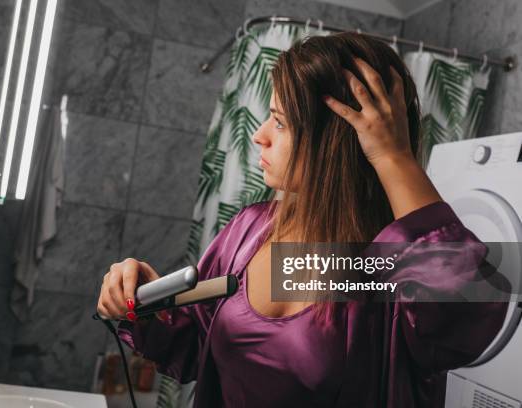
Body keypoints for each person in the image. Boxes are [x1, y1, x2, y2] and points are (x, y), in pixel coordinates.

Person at [96, 32, 508, 407]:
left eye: (280, 122)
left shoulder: (379, 265)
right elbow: (195, 345)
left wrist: (392, 156)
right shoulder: (250, 230)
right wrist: (143, 301)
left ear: (337, 139)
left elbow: (465, 321)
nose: (259, 135)